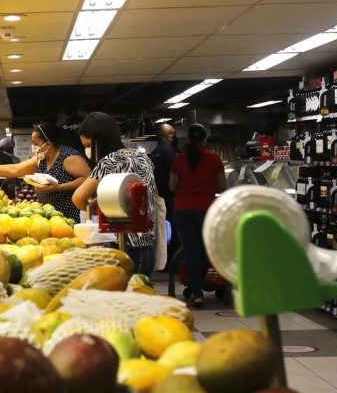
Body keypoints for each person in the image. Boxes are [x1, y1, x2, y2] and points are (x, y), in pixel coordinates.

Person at [72, 112, 157, 276]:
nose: (87, 150)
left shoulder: (109, 161)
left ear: (100, 140)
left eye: (89, 145)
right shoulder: (143, 157)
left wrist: (100, 210)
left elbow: (78, 198)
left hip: (123, 247)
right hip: (147, 246)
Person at [0, 123, 90, 222]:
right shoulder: (41, 158)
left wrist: (60, 187)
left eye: (35, 143)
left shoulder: (68, 157)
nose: (33, 146)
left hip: (70, 216)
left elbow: (87, 179)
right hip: (50, 216)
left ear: (48, 143)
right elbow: (14, 170)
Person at [169, 124, 226, 308]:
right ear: (205, 140)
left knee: (191, 250)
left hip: (183, 210)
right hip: (206, 211)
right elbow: (221, 187)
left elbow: (172, 186)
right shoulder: (214, 159)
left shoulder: (179, 159)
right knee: (205, 250)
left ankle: (196, 292)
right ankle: (200, 287)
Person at [149, 124, 178, 269]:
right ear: (166, 136)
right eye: (172, 134)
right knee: (172, 232)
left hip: (158, 198)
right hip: (169, 198)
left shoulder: (154, 152)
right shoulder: (168, 151)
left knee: (163, 231)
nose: (174, 137)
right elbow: (175, 175)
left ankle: (164, 261)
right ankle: (172, 263)